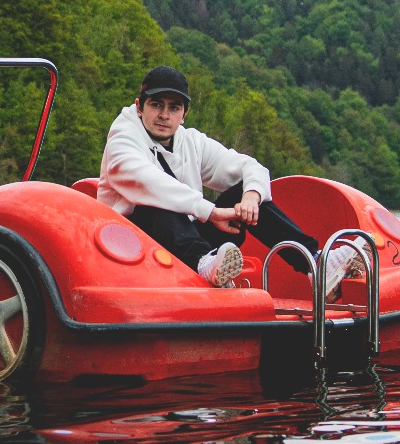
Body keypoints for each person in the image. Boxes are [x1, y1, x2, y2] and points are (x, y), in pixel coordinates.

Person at [98, 65, 360, 292]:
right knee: (155, 203)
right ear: (139, 106)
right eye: (156, 105)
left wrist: (251, 197)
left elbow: (250, 167)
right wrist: (210, 212)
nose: (164, 115)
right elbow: (147, 181)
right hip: (135, 248)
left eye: (173, 107)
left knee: (243, 194)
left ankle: (314, 263)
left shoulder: (191, 141)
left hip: (185, 242)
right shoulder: (122, 139)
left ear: (184, 113)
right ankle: (205, 263)